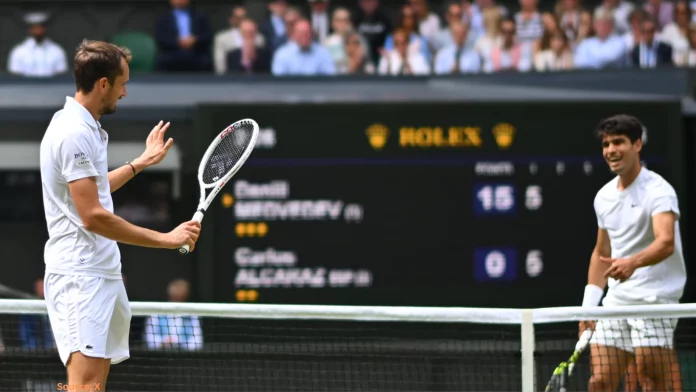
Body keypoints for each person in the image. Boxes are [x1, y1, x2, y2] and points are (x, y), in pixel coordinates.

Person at [39, 39, 201, 390]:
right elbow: (93, 216)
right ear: (103, 84)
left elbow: (93, 191)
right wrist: (166, 239)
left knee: (94, 385)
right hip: (80, 276)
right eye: (122, 83)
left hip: (102, 272)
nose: (124, 92)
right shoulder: (72, 133)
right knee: (84, 386)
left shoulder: (87, 128)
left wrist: (139, 163)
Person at [581, 114, 686, 392]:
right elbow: (601, 252)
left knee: (652, 381)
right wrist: (589, 307)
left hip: (654, 300)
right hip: (616, 302)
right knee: (600, 382)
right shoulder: (603, 197)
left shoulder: (659, 191)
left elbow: (666, 242)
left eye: (619, 142)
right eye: (606, 144)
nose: (611, 150)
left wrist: (632, 264)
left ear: (637, 145)